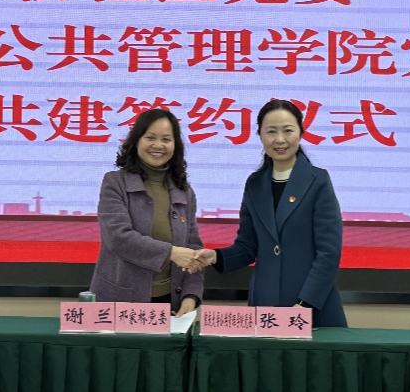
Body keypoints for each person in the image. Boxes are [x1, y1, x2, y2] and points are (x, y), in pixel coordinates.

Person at [194, 99, 346, 327]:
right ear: (260, 136)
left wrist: (305, 304)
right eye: (271, 132)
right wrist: (216, 256)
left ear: (301, 133)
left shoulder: (318, 181)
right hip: (265, 304)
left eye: (288, 131)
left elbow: (329, 252)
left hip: (312, 306)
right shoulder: (255, 184)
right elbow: (248, 247)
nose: (280, 139)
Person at [89, 108, 204, 316]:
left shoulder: (184, 191)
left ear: (175, 146)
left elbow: (193, 248)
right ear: (136, 141)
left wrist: (191, 295)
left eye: (166, 139)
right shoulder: (115, 182)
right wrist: (171, 253)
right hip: (120, 300)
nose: (158, 145)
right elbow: (118, 237)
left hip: (171, 301)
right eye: (150, 137)